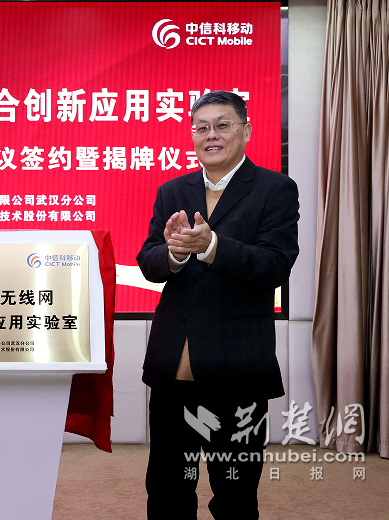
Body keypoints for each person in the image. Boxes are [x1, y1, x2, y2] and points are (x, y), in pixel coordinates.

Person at [137, 91, 299, 519]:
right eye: (202, 128)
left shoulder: (275, 189)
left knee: (234, 496)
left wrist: (212, 247)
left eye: (223, 125)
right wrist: (174, 253)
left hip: (237, 370)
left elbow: (275, 265)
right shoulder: (173, 190)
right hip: (175, 370)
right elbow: (148, 260)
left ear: (246, 131)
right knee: (168, 490)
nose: (211, 135)